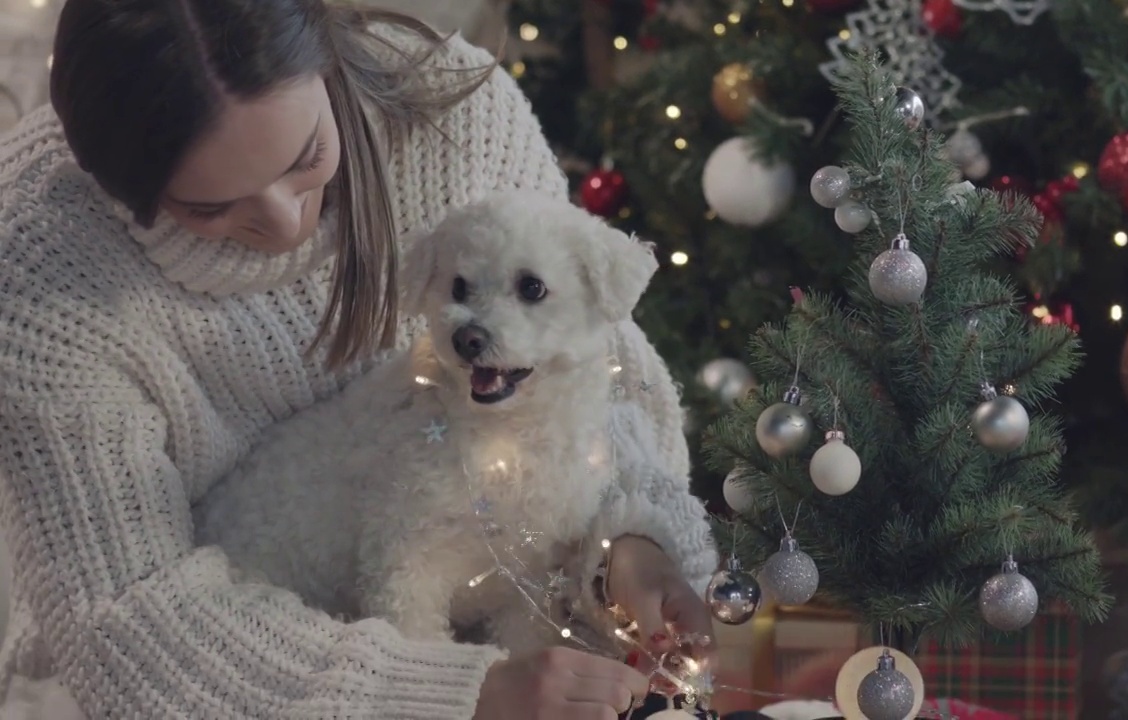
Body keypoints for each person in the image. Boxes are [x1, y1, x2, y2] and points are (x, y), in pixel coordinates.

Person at [0, 1, 720, 717]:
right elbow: (131, 625)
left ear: (325, 55)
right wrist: (451, 694)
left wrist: (625, 544)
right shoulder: (44, 265)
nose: (286, 223)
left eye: (306, 157)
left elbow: (592, 372)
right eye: (209, 207)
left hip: (516, 633)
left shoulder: (449, 112)